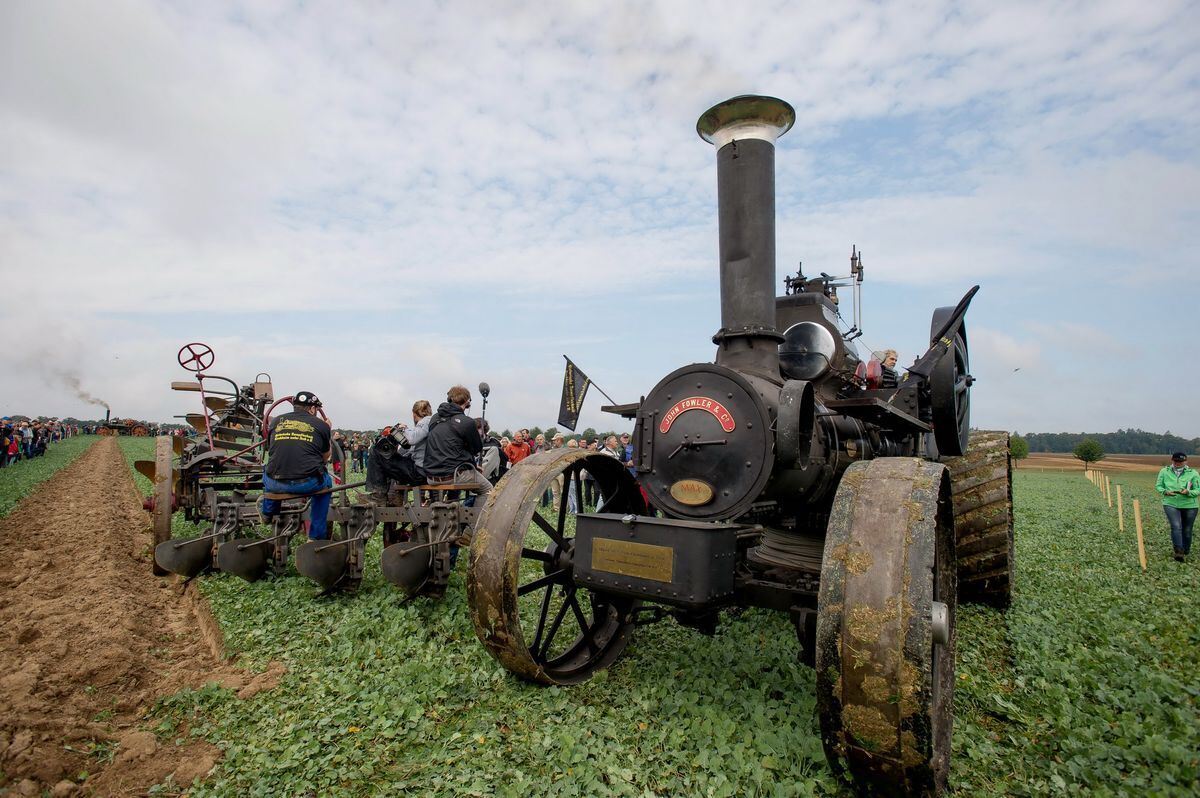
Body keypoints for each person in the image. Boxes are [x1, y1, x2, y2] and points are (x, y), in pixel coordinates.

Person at [261, 391, 334, 541]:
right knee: (326, 487)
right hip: (307, 484)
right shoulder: (321, 425)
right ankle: (315, 536)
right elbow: (326, 457)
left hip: (275, 483)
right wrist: (328, 430)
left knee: (269, 469)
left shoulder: (276, 422)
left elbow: (272, 449)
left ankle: (268, 512)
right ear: (313, 409)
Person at [422, 385, 491, 496]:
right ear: (468, 401)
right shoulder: (467, 422)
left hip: (431, 476)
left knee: (463, 475)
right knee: (489, 490)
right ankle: (480, 514)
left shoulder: (434, 418)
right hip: (453, 475)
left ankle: (450, 506)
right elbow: (476, 448)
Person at [1156, 452, 1199, 561]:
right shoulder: (1164, 471)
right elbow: (1159, 486)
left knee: (1187, 529)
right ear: (1172, 460)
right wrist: (1165, 491)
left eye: (1180, 461)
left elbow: (1198, 490)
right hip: (1170, 503)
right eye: (1176, 461)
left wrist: (1188, 492)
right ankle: (1179, 551)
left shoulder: (1193, 473)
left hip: (1190, 505)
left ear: (1185, 461)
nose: (1178, 463)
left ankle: (1186, 549)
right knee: (1176, 526)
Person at [400, 400, 434, 470]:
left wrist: (404, 429)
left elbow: (412, 439)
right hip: (423, 463)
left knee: (377, 456)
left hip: (419, 467)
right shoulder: (430, 421)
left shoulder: (425, 421)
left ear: (414, 414)